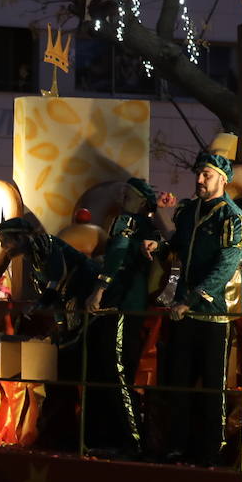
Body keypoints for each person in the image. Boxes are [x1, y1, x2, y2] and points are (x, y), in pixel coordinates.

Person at [157, 133, 242, 468]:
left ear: (222, 179)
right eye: (198, 173)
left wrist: (193, 299)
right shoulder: (187, 211)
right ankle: (177, 445)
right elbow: (176, 249)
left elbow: (227, 264)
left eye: (206, 174)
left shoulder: (232, 217)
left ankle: (213, 448)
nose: (198, 179)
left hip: (213, 313)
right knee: (179, 382)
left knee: (212, 386)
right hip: (183, 311)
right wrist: (159, 248)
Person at [0, 216, 101, 450]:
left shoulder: (47, 244)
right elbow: (54, 295)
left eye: (5, 241)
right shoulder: (33, 259)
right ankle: (59, 434)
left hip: (88, 307)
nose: (3, 247)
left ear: (20, 238)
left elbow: (57, 280)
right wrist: (60, 326)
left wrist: (45, 303)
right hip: (70, 314)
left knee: (81, 370)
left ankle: (78, 436)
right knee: (62, 373)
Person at [85, 177, 166, 457]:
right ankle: (119, 438)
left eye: (129, 194)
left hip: (118, 304)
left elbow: (117, 254)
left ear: (141, 201)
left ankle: (131, 440)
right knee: (123, 372)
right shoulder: (151, 230)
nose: (123, 196)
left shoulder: (126, 222)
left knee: (115, 373)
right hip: (136, 305)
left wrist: (99, 288)